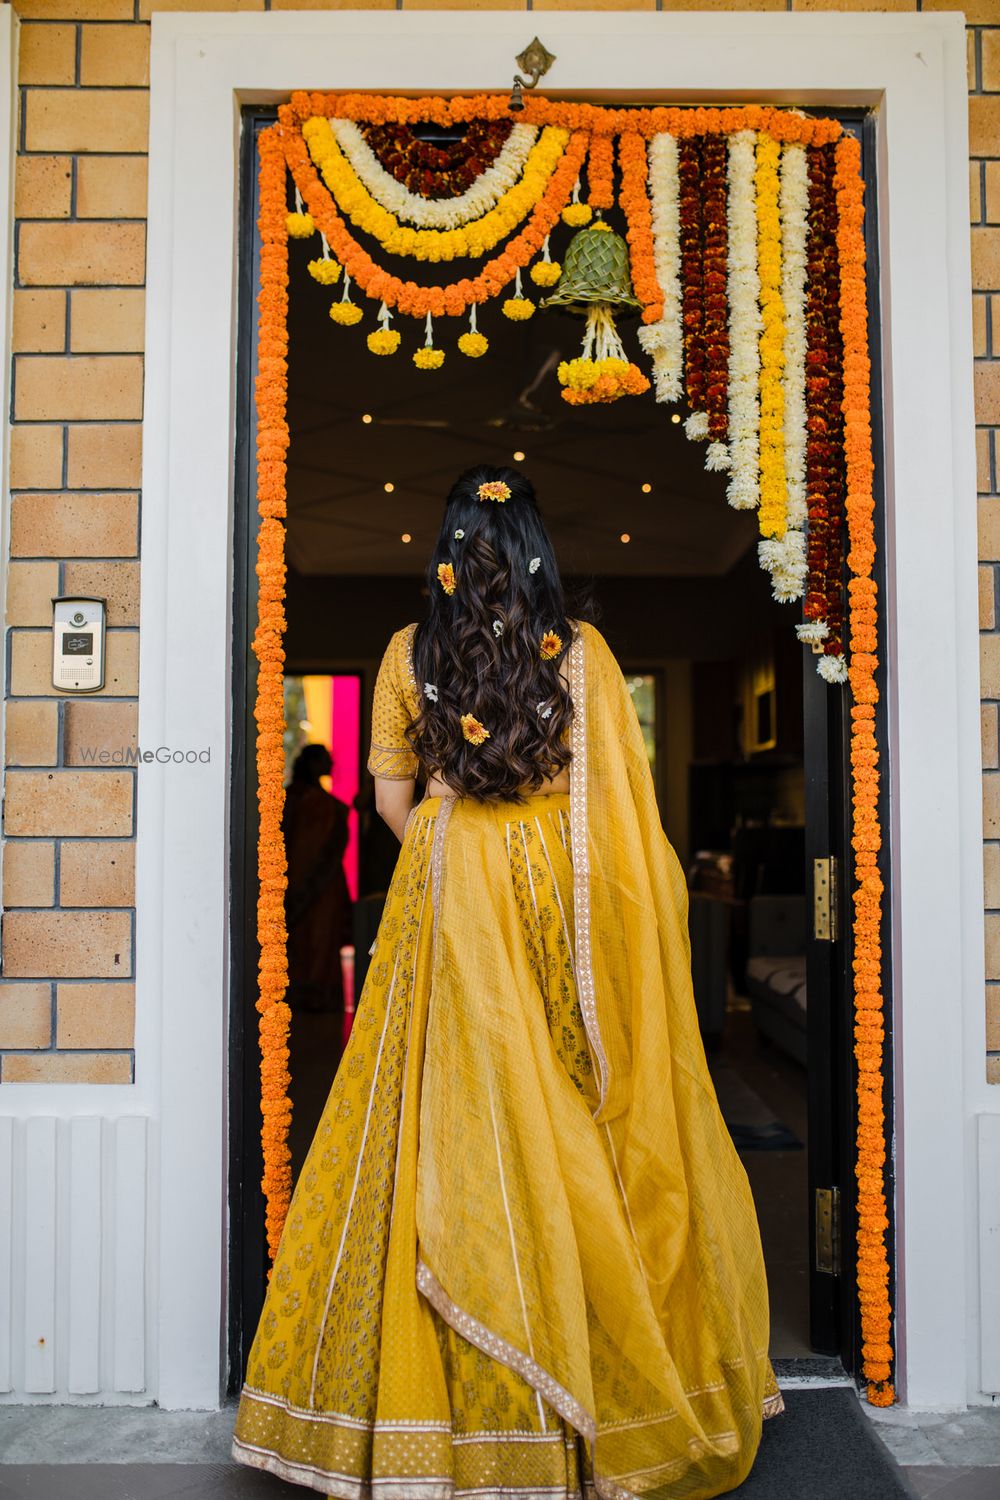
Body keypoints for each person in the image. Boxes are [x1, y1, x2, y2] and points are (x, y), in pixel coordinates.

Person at [233, 464, 783, 1500]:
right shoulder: (580, 654)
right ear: (537, 546)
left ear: (441, 549)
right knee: (574, 1105)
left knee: (443, 1108)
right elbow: (617, 810)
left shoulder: (408, 650)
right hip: (562, 907)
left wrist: (453, 849)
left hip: (448, 901)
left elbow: (390, 797)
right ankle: (588, 1395)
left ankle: (436, 1413)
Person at [282, 743, 352, 1014]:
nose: (331, 764)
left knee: (318, 940)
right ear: (313, 764)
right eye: (326, 759)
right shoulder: (310, 803)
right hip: (313, 885)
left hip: (317, 885)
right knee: (308, 941)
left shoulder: (306, 802)